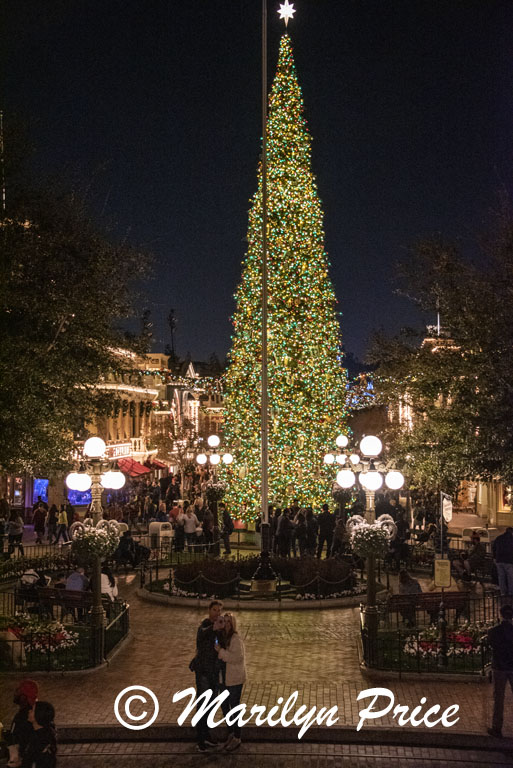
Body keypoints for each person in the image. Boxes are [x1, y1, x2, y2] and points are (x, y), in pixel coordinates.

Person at [193, 600, 225, 752]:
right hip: (204, 672)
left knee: (211, 704)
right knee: (203, 704)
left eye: (219, 610)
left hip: (214, 672)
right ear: (209, 610)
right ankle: (201, 739)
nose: (217, 613)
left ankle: (206, 735)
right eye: (214, 610)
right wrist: (214, 628)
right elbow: (202, 636)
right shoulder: (205, 626)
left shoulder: (219, 628)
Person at [216, 612, 246, 752]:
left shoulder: (235, 639)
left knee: (234, 707)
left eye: (229, 622)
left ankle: (237, 737)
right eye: (225, 621)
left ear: (233, 624)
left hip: (234, 679)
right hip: (224, 679)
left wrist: (221, 652)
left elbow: (237, 658)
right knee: (225, 706)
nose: (227, 624)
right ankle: (231, 733)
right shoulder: (222, 637)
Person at [487, 604, 513, 738]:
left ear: (500, 615)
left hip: (499, 667)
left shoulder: (494, 631)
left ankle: (497, 727)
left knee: (499, 698)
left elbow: (491, 644)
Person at [6, 679, 38, 768]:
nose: (15, 693)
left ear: (24, 697)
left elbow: (17, 743)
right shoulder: (32, 713)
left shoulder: (22, 717)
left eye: (18, 691)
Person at [22, 701, 57, 768]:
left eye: (32, 710)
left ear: (38, 715)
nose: (29, 711)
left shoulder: (39, 739)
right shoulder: (44, 733)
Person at [492, 527, 513, 597]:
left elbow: (494, 548)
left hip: (499, 560)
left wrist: (494, 557)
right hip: (509, 561)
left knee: (501, 577)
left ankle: (503, 592)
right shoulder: (511, 539)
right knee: (510, 577)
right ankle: (510, 592)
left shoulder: (498, 538)